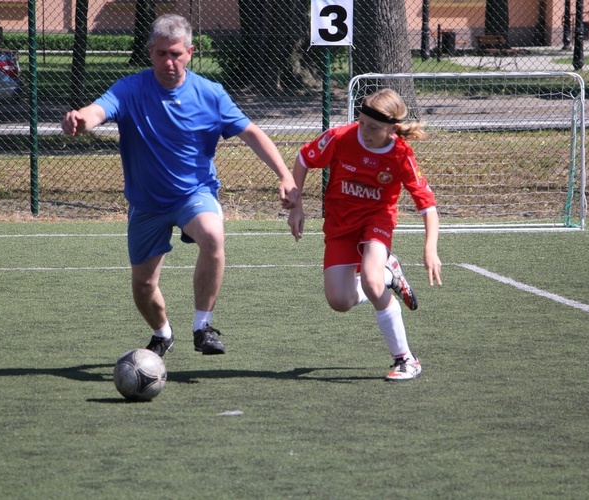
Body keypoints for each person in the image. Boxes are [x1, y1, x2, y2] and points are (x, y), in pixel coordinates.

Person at [61, 14, 298, 358]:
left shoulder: (211, 94)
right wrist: (80, 119)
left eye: (176, 54)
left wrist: (284, 174)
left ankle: (203, 326)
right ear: (150, 52)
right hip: (146, 203)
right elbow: (99, 110)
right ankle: (162, 333)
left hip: (194, 194)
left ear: (189, 52)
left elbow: (252, 133)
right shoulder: (130, 89)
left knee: (213, 235)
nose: (169, 62)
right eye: (161, 54)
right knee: (143, 286)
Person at [288, 88, 442, 381]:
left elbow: (427, 205)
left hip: (376, 221)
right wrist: (296, 206)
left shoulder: (400, 155)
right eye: (362, 123)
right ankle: (389, 274)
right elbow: (303, 159)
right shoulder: (340, 137)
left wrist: (430, 248)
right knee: (340, 301)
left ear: (392, 128)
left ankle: (406, 360)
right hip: (339, 226)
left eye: (374, 128)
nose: (365, 132)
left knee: (371, 282)